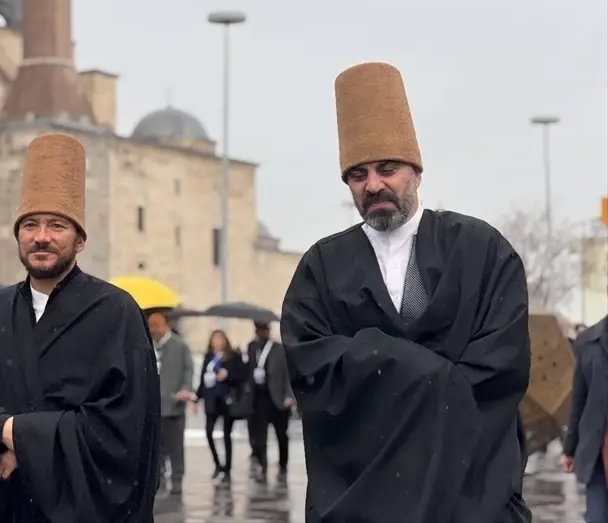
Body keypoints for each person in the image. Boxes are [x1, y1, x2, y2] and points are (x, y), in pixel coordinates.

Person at [281, 62, 532, 522]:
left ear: (415, 171)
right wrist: (427, 373)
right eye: (358, 174)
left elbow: (501, 366)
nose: (374, 185)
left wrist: (380, 365)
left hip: (468, 493)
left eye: (387, 169)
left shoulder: (481, 250)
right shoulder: (322, 268)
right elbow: (311, 366)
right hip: (362, 498)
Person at [0, 133, 160, 523]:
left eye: (57, 225)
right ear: (17, 234)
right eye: (30, 224)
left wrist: (19, 441)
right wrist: (6, 438)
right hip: (3, 507)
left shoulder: (116, 313)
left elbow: (123, 427)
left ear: (80, 240)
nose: (42, 237)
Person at [561, 315, 607, 522]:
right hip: (597, 449)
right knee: (597, 517)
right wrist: (569, 449)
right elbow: (579, 399)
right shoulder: (589, 341)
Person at [148, 309, 195, 496]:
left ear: (165, 325)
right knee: (156, 446)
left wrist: (186, 388)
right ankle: (159, 477)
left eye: (156, 326)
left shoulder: (179, 345)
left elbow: (188, 369)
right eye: (151, 326)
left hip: (174, 405)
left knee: (175, 446)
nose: (153, 330)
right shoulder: (148, 346)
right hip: (154, 406)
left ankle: (177, 478)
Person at [245, 321, 294, 481]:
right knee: (260, 435)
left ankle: (283, 464)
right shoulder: (252, 347)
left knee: (281, 434)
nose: (260, 333)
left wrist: (289, 395)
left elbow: (288, 373)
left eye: (263, 330)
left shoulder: (279, 349)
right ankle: (263, 465)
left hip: (277, 397)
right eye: (258, 330)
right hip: (259, 398)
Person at [195, 329, 246, 483]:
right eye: (214, 339)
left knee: (226, 434)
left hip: (226, 400)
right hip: (211, 400)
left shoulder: (232, 356)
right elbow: (202, 380)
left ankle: (227, 467)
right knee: (209, 432)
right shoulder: (209, 357)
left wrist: (227, 375)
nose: (217, 342)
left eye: (220, 339)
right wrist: (196, 397)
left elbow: (241, 377)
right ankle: (217, 464)